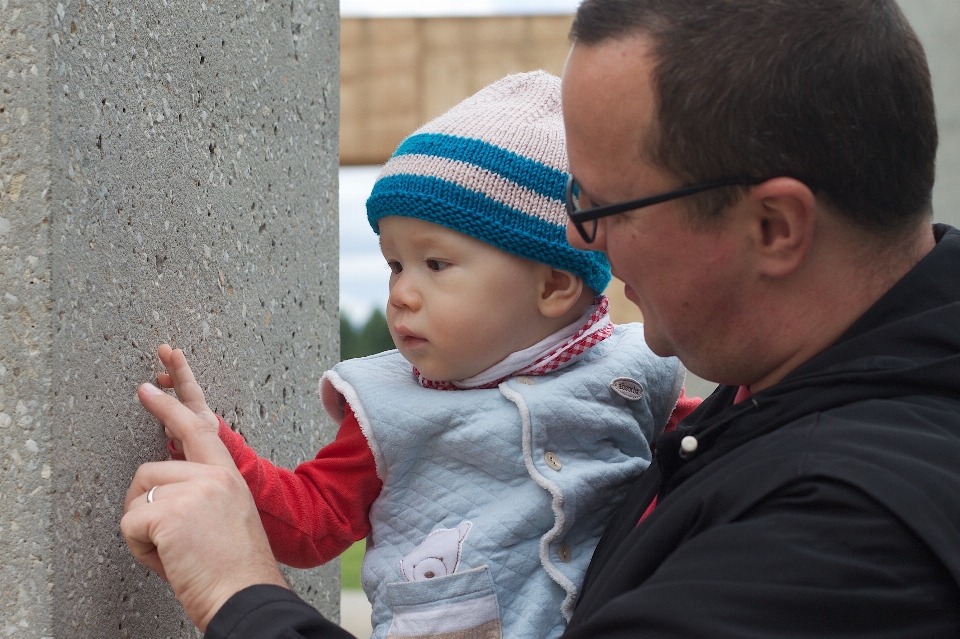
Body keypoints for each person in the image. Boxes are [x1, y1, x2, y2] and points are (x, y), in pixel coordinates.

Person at [121, 0, 960, 637]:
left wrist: (235, 589)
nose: (573, 239)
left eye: (602, 204)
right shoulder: (758, 408)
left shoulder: (844, 532)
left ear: (774, 227)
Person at [145, 71, 691, 639]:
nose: (401, 293)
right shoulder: (387, 407)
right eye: (394, 264)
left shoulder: (635, 372)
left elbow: (713, 464)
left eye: (436, 265)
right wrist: (214, 446)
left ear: (554, 285)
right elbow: (310, 523)